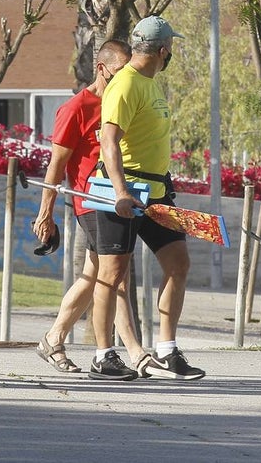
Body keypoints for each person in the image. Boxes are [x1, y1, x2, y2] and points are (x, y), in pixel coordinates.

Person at [32, 40, 161, 380]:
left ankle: (54, 338)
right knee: (113, 275)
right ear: (102, 69)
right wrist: (46, 212)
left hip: (121, 200)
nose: (125, 78)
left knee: (94, 277)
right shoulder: (77, 107)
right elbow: (56, 164)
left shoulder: (125, 99)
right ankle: (134, 351)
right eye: (119, 72)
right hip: (92, 200)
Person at [92, 15, 205, 381]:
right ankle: (103, 355)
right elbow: (108, 140)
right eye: (171, 48)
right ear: (162, 50)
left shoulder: (150, 83)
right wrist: (121, 191)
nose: (170, 54)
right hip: (122, 192)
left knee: (178, 262)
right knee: (112, 273)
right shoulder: (125, 84)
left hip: (156, 192)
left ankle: (167, 350)